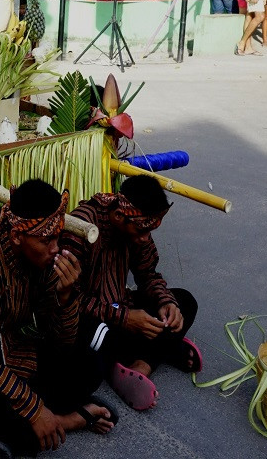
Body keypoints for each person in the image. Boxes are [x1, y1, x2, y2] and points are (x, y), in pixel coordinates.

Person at [0, 179, 116, 457]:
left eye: (57, 237)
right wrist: (34, 408)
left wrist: (64, 298)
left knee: (88, 365)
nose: (55, 248)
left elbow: (61, 343)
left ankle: (36, 424)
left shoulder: (38, 260)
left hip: (11, 354)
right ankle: (63, 420)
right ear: (17, 236)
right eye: (46, 240)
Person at [61, 176, 200, 412]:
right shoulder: (82, 226)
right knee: (93, 341)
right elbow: (66, 298)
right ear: (118, 217)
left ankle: (141, 366)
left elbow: (148, 275)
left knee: (184, 302)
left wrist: (165, 301)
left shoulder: (138, 226)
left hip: (120, 305)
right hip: (88, 316)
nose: (146, 237)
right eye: (142, 230)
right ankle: (162, 349)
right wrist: (125, 319)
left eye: (151, 229)